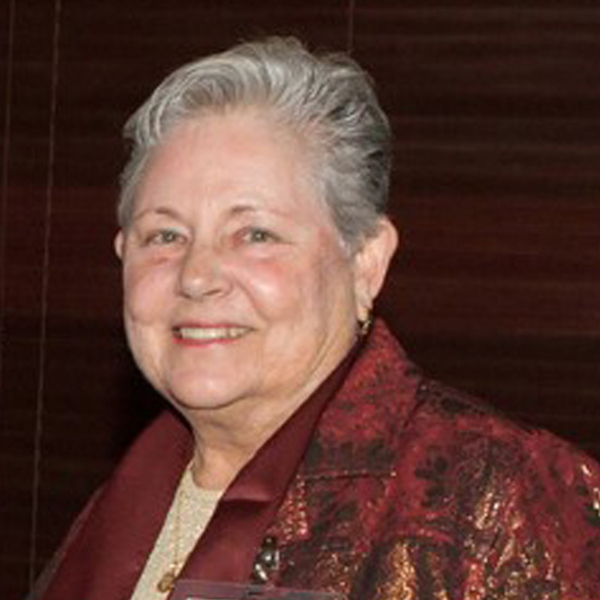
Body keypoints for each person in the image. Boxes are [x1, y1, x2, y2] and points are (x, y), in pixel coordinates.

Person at [30, 37, 600, 600]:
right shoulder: (121, 508)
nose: (196, 276)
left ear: (365, 263)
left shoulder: (501, 499)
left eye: (255, 234)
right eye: (166, 235)